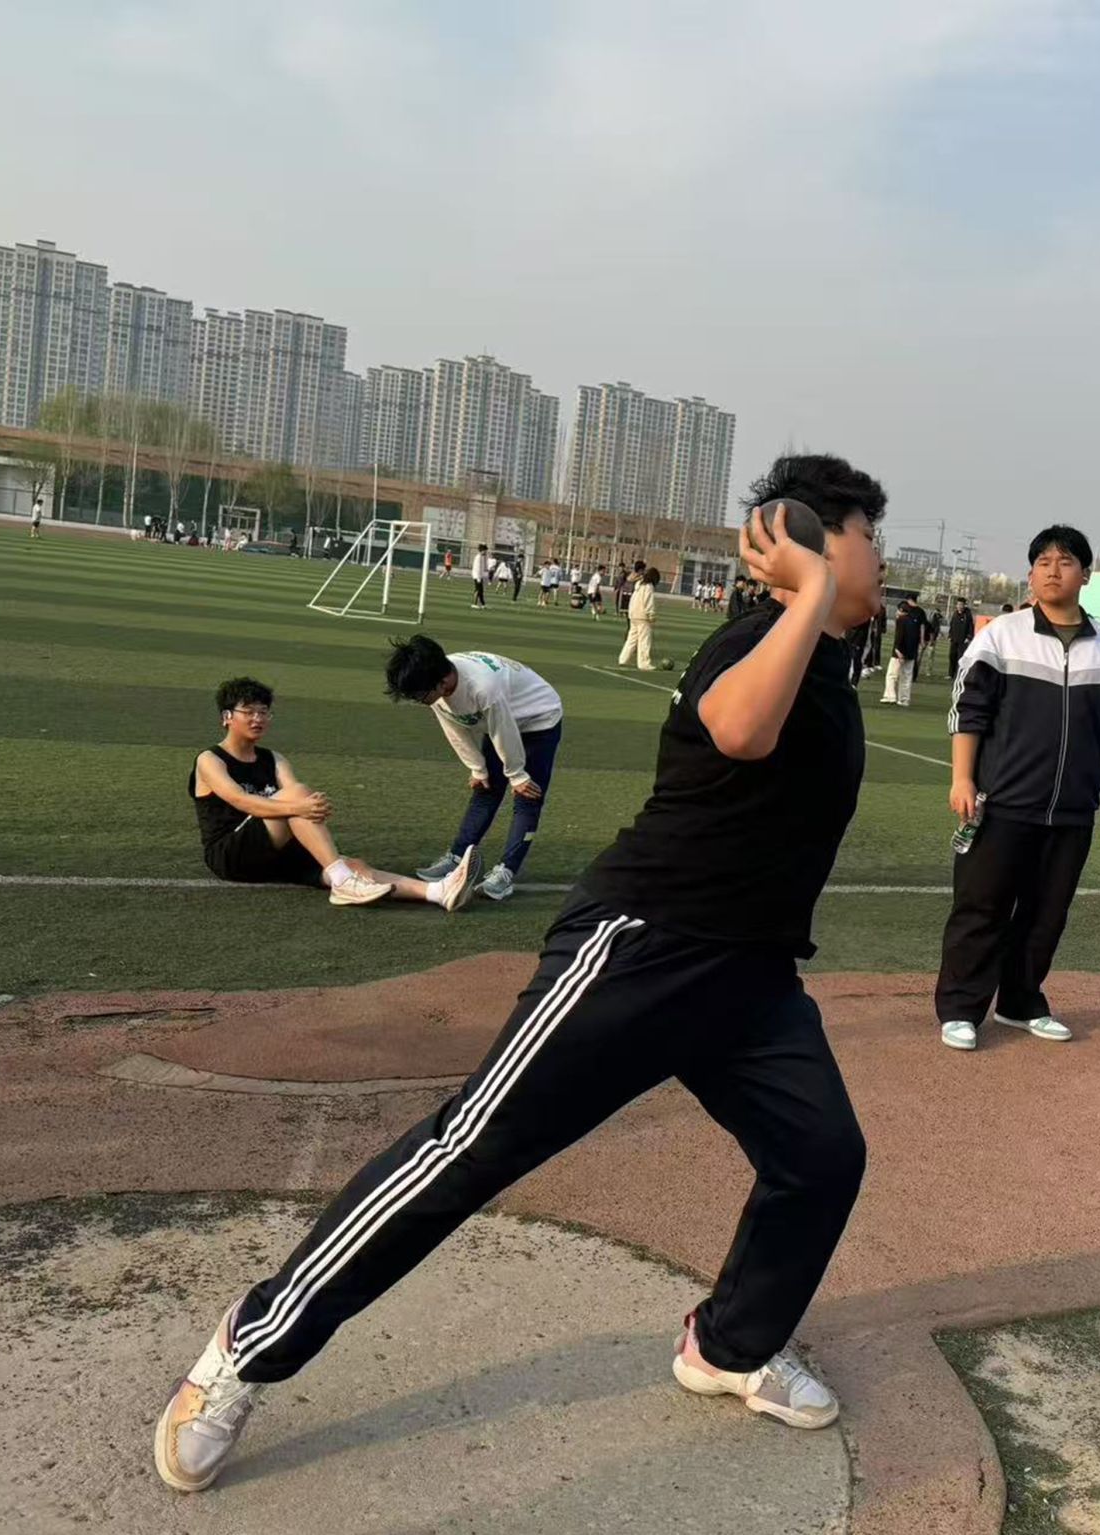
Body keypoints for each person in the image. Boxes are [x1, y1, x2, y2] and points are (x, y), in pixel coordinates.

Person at [155, 453, 889, 1495]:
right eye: (867, 536)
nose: (880, 558)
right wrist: (805, 590)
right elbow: (738, 728)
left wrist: (814, 604)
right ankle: (249, 1343)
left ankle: (729, 1345)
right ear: (815, 540)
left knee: (821, 1155)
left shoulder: (826, 665)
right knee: (468, 1150)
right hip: (642, 949)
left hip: (753, 976)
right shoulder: (754, 642)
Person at [935, 525, 1100, 1053]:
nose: (1053, 570)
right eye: (1043, 562)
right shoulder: (1002, 636)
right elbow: (969, 710)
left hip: (1072, 811)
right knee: (980, 908)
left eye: (1065, 561)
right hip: (1001, 803)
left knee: (1046, 915)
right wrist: (962, 778)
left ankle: (1021, 1002)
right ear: (1030, 574)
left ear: (1085, 575)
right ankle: (960, 1008)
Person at [190, 678, 478, 912]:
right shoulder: (210, 760)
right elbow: (241, 800)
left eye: (264, 712)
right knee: (298, 797)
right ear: (227, 717)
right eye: (249, 711)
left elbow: (298, 803)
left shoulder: (274, 759)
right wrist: (303, 806)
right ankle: (342, 882)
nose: (258, 719)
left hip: (274, 851)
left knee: (354, 867)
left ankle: (436, 892)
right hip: (231, 854)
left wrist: (309, 808)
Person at [389, 636, 566, 903]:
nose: (418, 700)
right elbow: (454, 727)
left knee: (527, 795)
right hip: (501, 720)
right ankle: (456, 857)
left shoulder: (483, 687)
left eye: (420, 695)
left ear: (443, 681)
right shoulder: (434, 684)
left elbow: (503, 730)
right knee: (485, 789)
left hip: (538, 717)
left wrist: (517, 774)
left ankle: (506, 872)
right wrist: (477, 768)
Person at [880, 599, 923, 707]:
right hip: (911, 653)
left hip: (899, 652)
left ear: (901, 610)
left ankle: (890, 696)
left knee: (892, 675)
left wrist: (898, 650)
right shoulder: (915, 621)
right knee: (906, 677)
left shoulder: (901, 620)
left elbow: (899, 636)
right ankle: (904, 699)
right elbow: (915, 638)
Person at [619, 566, 661, 670]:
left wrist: (631, 613)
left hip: (634, 615)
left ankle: (623, 659)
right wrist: (651, 615)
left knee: (632, 639)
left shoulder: (639, 584)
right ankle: (644, 663)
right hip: (642, 617)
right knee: (644, 640)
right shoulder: (648, 587)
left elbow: (633, 599)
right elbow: (648, 602)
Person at [948, 599, 974, 676]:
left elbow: (971, 627)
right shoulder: (955, 614)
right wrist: (950, 635)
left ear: (964, 605)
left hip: (963, 640)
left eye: (961, 604)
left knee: (960, 657)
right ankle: (950, 674)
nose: (959, 606)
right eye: (958, 604)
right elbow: (952, 625)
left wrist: (968, 637)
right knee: (952, 656)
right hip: (954, 639)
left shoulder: (967, 615)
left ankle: (958, 673)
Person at [470, 544, 489, 609]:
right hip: (477, 576)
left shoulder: (481, 557)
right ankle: (474, 604)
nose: (486, 552)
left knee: (481, 591)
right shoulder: (478, 557)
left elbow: (481, 568)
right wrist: (478, 578)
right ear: (482, 550)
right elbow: (477, 568)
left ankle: (483, 604)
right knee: (477, 590)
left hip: (480, 576)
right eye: (485, 550)